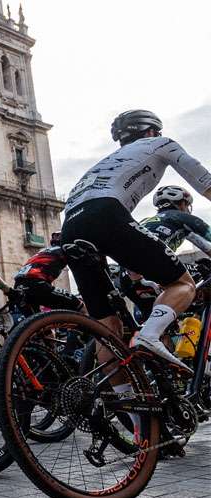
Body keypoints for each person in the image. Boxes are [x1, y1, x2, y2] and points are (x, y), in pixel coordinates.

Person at [62, 109, 211, 373]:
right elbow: (205, 183)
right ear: (152, 131)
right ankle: (150, 334)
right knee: (181, 283)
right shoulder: (160, 143)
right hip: (104, 212)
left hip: (71, 225)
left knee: (108, 328)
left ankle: (131, 410)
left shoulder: (105, 161)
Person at [121, 185, 211, 317]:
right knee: (205, 272)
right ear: (182, 203)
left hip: (126, 276)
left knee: (160, 326)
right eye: (187, 205)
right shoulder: (179, 216)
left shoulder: (146, 221)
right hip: (154, 264)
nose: (187, 209)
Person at [13, 231, 85, 313]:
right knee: (81, 307)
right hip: (36, 284)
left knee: (36, 322)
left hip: (18, 286)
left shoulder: (43, 251)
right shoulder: (65, 250)